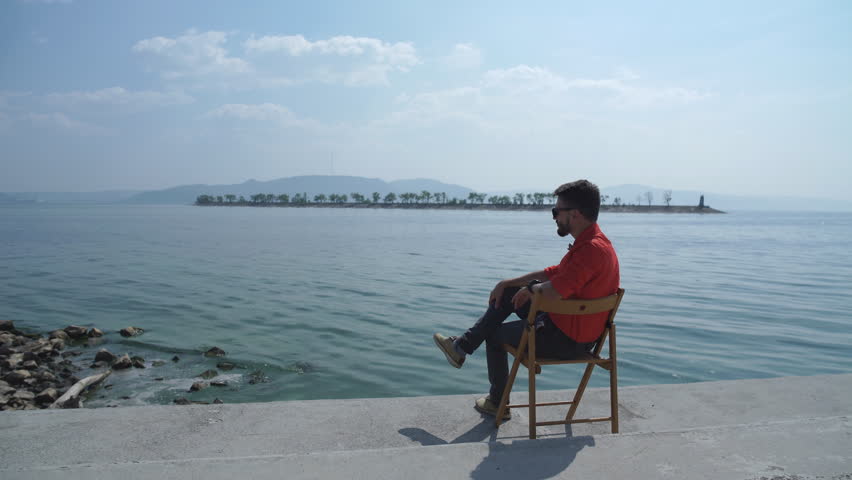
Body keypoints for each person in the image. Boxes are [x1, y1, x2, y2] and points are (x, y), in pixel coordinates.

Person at [433, 179, 620, 419]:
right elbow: (553, 274)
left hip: (566, 340)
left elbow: (553, 292)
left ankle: (497, 403)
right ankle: (461, 346)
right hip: (569, 326)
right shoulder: (594, 243)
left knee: (495, 334)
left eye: (556, 211)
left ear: (574, 214)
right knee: (510, 293)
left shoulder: (591, 251)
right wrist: (509, 283)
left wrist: (531, 289)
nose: (554, 217)